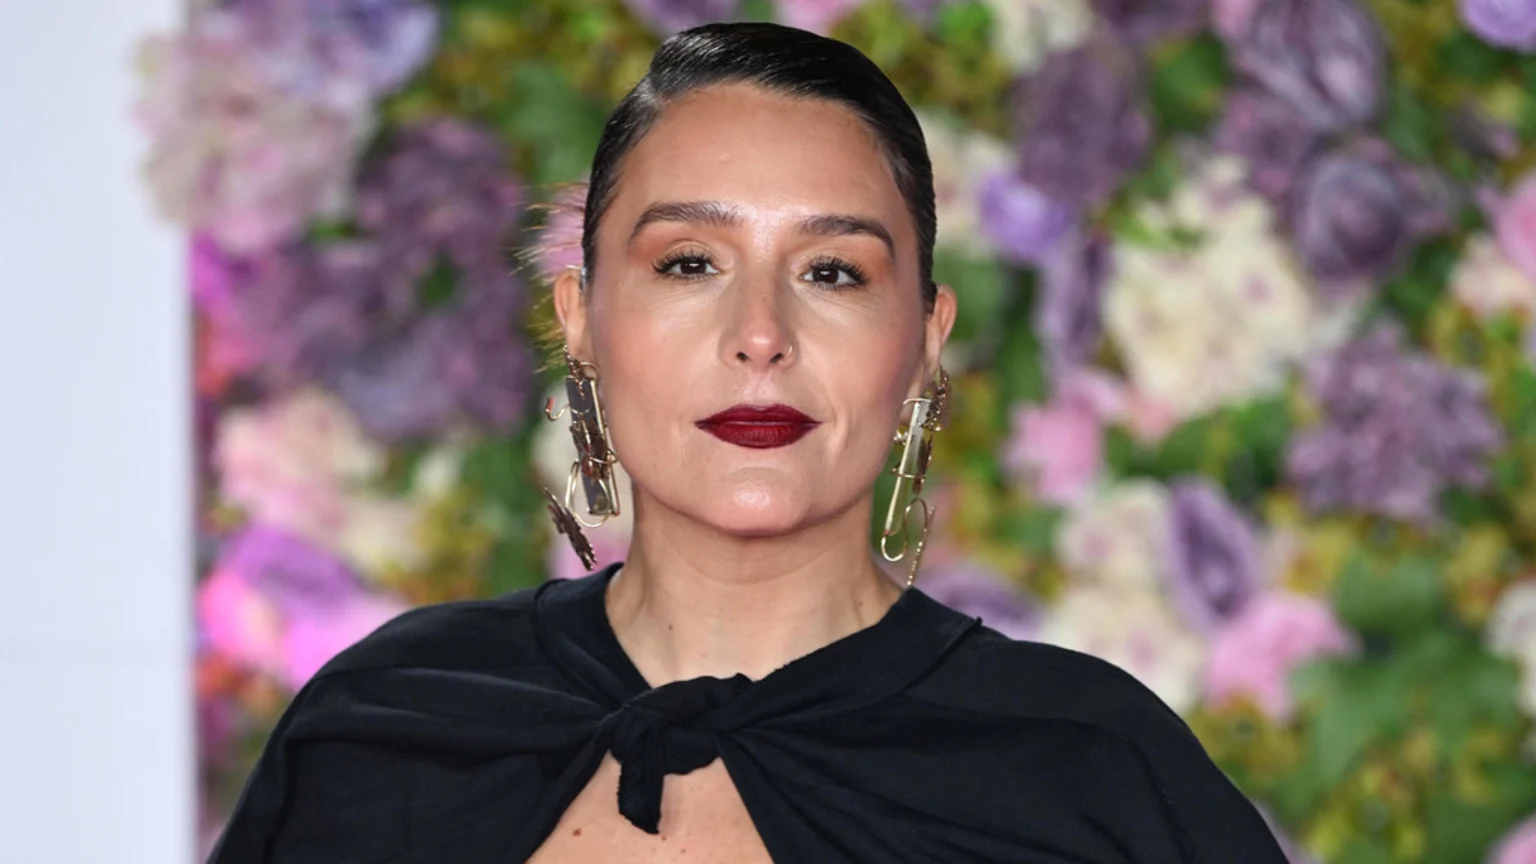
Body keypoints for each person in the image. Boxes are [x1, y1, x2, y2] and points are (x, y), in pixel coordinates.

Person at [209, 21, 1289, 863]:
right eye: (689, 264)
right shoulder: (388, 731)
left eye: (834, 272)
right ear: (582, 320)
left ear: (925, 338)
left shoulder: (1090, 773)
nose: (761, 335)